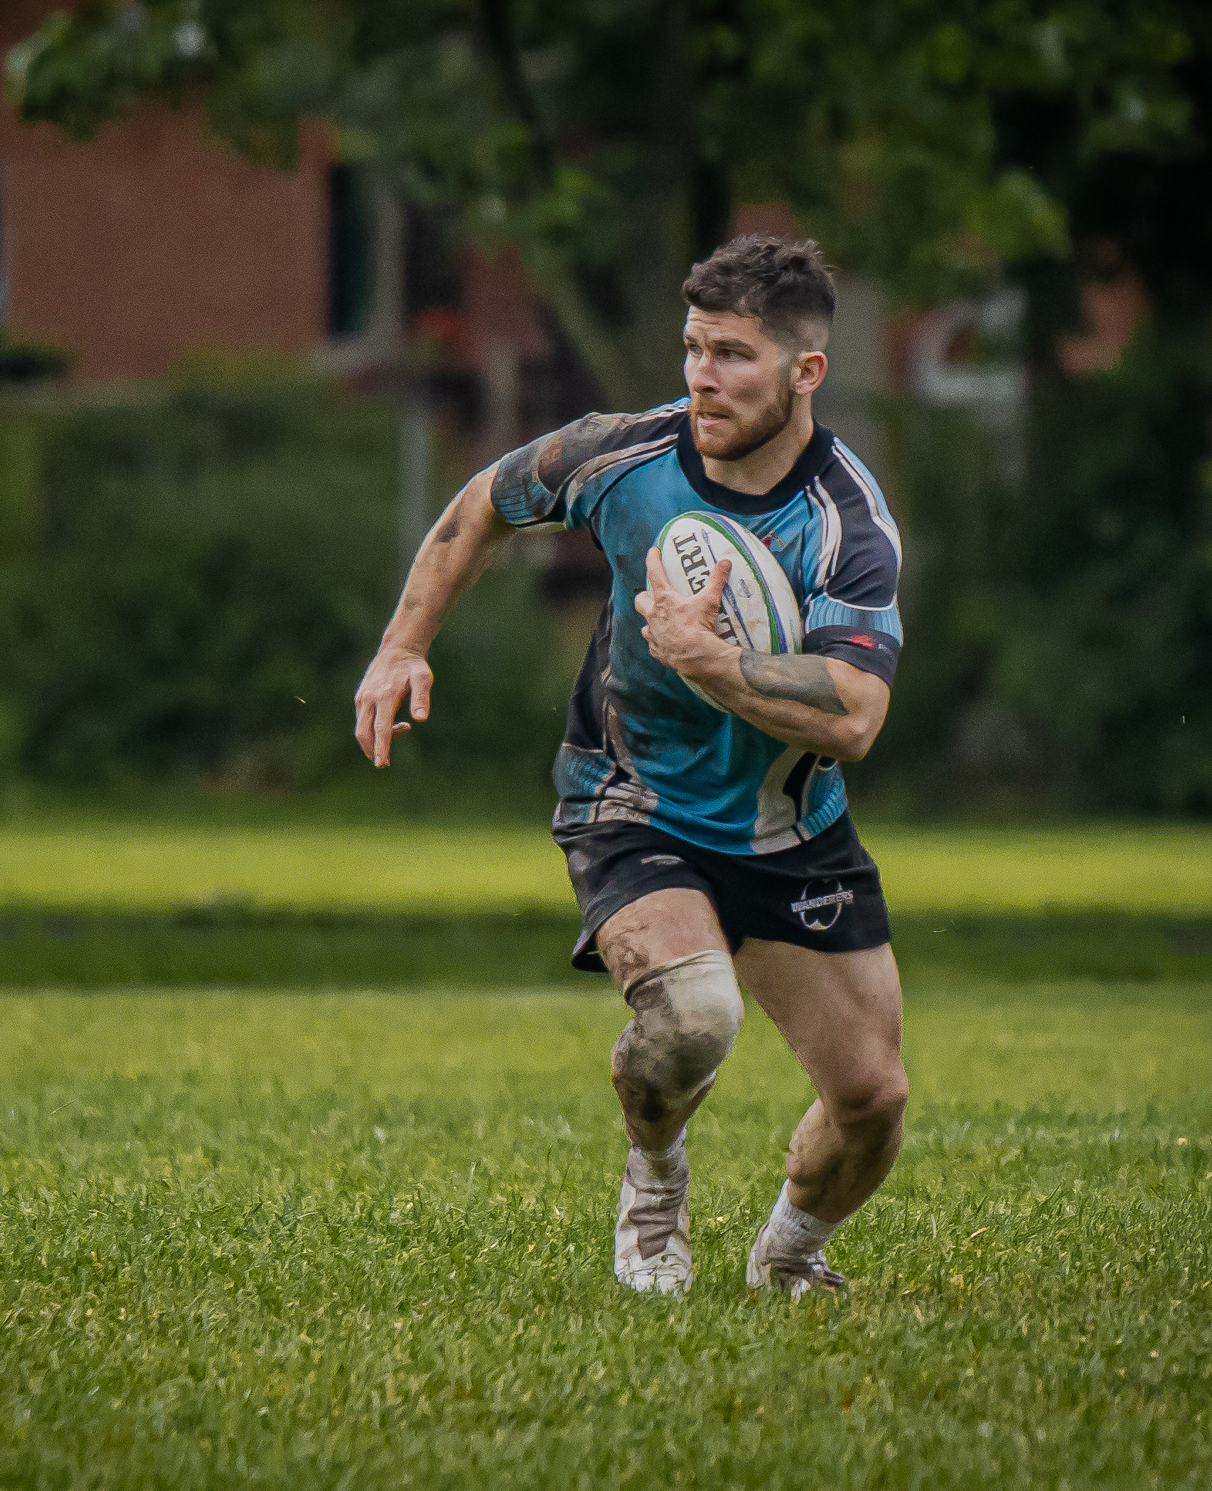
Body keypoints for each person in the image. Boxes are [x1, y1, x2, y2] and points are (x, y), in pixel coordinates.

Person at [354, 236, 907, 1299]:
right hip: (631, 800)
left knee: (871, 1101)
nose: (702, 375)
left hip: (790, 832)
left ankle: (786, 1255)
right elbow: (483, 504)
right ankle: (654, 1178)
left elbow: (853, 718)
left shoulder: (843, 521)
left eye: (735, 355)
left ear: (806, 373)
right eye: (694, 348)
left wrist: (712, 661)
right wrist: (400, 645)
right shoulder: (618, 455)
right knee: (695, 1016)